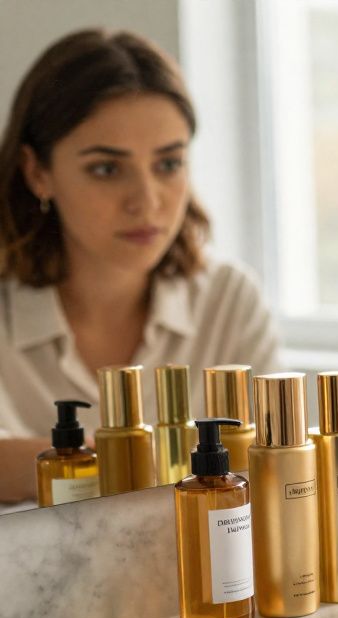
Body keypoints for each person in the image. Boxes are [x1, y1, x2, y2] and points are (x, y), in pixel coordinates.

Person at [0, 29, 280, 503]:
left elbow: (270, 474)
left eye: (168, 164)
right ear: (38, 172)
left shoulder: (229, 299)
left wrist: (73, 466)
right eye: (107, 169)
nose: (146, 202)